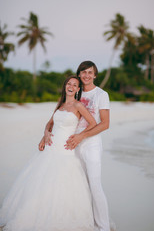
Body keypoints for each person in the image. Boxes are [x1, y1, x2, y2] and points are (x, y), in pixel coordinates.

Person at [0, 75, 97, 231]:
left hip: (65, 151)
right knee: (39, 182)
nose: (71, 86)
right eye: (69, 84)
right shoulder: (61, 105)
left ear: (78, 89)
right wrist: (45, 134)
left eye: (74, 85)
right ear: (65, 86)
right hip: (50, 149)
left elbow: (93, 123)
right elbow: (49, 123)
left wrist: (80, 136)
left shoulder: (79, 106)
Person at [40, 61, 114, 231]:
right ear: (79, 75)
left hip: (91, 144)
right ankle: (87, 220)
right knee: (80, 186)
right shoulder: (75, 94)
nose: (87, 75)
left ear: (95, 75)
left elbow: (105, 124)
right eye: (83, 72)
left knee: (95, 185)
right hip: (71, 146)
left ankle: (102, 226)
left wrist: (82, 136)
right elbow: (57, 118)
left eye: (90, 72)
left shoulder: (101, 94)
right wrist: (45, 134)